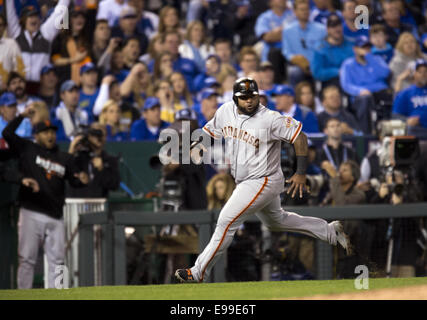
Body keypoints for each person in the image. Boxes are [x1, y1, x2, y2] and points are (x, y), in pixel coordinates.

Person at [174, 77, 352, 283]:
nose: (249, 100)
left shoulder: (270, 118)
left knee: (226, 221)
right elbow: (208, 133)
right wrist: (192, 146)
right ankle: (329, 231)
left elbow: (300, 137)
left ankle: (197, 272)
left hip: (263, 179)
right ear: (235, 98)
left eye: (253, 96)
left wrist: (301, 172)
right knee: (277, 221)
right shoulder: (225, 111)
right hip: (246, 180)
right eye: (244, 97)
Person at [2, 104, 89, 289]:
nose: (50, 135)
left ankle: (58, 294)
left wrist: (82, 179)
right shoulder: (28, 148)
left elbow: (75, 181)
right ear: (36, 135)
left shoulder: (64, 158)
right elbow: (8, 133)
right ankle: (24, 295)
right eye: (45, 132)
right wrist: (22, 116)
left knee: (58, 261)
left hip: (55, 215)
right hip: (31, 211)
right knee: (26, 260)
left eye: (52, 132)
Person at [5, 0, 70, 89]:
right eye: (30, 16)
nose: (34, 19)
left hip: (40, 88)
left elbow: (61, 10)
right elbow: (9, 12)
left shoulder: (45, 33)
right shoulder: (16, 34)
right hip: (19, 87)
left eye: (36, 16)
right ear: (23, 20)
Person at [339, 35, 392, 135]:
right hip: (360, 96)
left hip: (380, 93)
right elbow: (346, 84)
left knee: (391, 95)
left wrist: (369, 57)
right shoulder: (348, 64)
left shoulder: (376, 59)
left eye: (368, 47)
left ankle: (390, 130)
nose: (366, 50)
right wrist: (359, 91)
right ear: (355, 49)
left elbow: (385, 73)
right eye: (363, 47)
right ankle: (365, 134)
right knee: (365, 99)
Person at [66, 122, 120, 198]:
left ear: (106, 137)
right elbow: (63, 174)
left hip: (99, 203)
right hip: (77, 202)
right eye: (95, 134)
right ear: (89, 136)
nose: (99, 138)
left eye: (102, 135)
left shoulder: (110, 160)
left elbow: (114, 185)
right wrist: (71, 150)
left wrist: (101, 170)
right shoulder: (78, 158)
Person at [281, 0, 326, 87]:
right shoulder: (287, 31)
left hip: (317, 65)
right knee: (295, 72)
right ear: (295, 12)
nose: (305, 12)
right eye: (302, 9)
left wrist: (314, 64)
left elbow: (324, 49)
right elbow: (286, 52)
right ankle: (296, 98)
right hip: (299, 66)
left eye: (307, 9)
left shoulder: (321, 29)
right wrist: (296, 59)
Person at [254, 0, 295, 82]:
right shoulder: (264, 17)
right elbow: (266, 37)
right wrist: (287, 33)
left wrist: (277, 33)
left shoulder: (293, 14)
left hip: (292, 51)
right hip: (271, 52)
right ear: (271, 2)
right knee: (274, 54)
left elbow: (297, 34)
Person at [311, 13, 354, 89]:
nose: (337, 29)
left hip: (352, 79)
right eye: (333, 26)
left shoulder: (351, 44)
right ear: (327, 29)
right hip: (331, 82)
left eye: (338, 25)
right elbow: (317, 73)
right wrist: (338, 72)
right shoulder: (320, 48)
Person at [392, 59, 427, 137]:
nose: (423, 74)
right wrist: (407, 120)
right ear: (414, 74)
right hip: (417, 130)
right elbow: (396, 115)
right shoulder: (406, 93)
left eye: (425, 71)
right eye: (420, 72)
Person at [0, 14, 25, 91]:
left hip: (6, 91)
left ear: (4, 27)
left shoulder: (11, 44)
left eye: (0, 25)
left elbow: (19, 68)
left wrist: (12, 84)